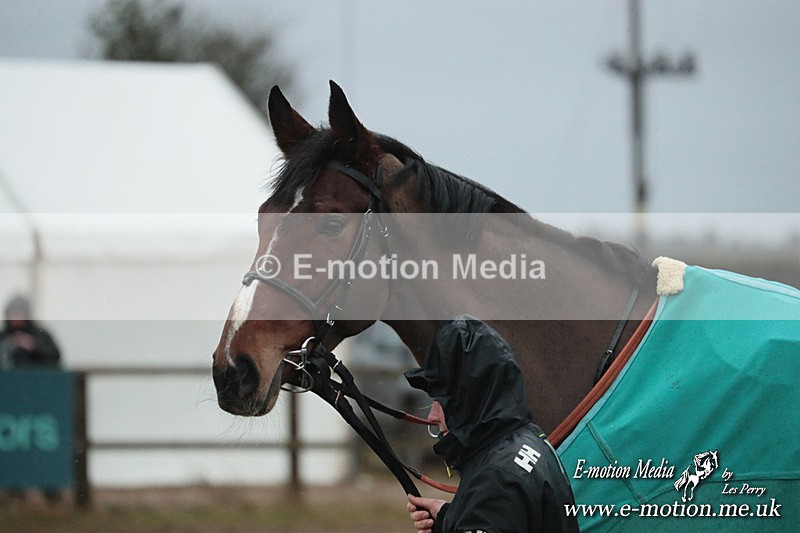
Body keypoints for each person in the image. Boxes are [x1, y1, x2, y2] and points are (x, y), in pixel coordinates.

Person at [404, 315, 579, 533]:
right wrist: (451, 518)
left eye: (440, 401)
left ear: (467, 400)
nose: (431, 416)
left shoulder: (495, 480)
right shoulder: (530, 441)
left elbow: (497, 506)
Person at [0, 294, 61, 370]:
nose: (16, 318)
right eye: (12, 313)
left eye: (19, 313)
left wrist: (33, 347)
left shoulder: (40, 334)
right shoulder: (2, 336)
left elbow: (55, 357)